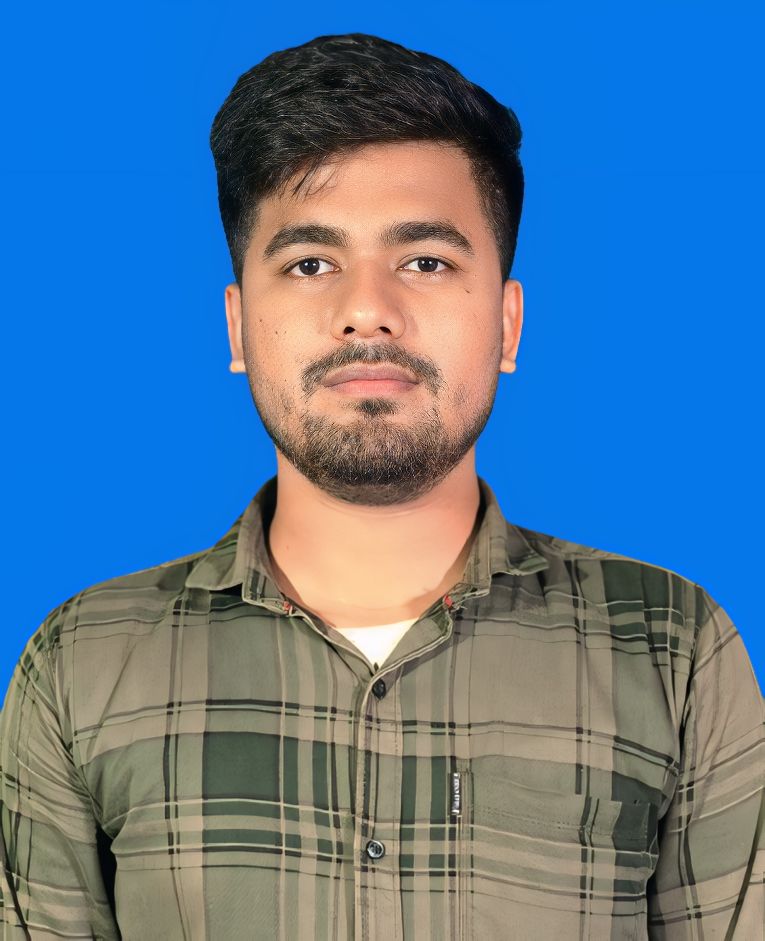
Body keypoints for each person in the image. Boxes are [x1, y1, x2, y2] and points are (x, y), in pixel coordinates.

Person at [1, 31, 762, 940]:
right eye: (310, 264)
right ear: (238, 327)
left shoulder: (670, 648)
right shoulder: (82, 664)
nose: (367, 309)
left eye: (426, 261)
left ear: (508, 325)